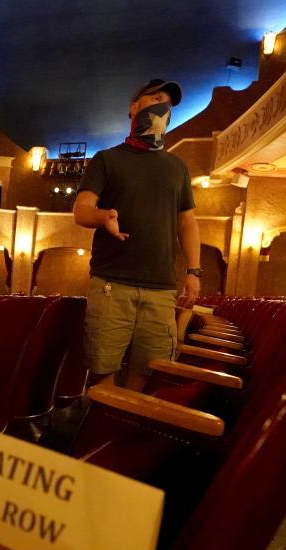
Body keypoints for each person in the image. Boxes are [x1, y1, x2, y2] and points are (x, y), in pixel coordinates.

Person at [73, 78, 201, 391]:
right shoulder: (107, 159)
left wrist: (194, 272)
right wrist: (104, 216)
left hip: (161, 289)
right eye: (155, 98)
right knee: (103, 371)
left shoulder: (177, 167)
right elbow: (81, 210)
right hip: (111, 284)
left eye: (168, 104)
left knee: (146, 374)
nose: (162, 107)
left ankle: (121, 435)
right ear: (133, 108)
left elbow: (187, 223)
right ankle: (96, 438)